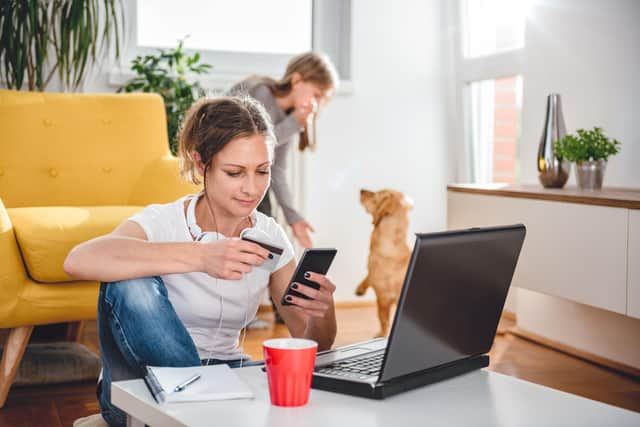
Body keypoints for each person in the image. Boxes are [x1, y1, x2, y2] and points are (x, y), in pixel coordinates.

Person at [63, 96, 337, 427]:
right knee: (128, 280)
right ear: (200, 164)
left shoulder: (269, 236)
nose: (251, 189)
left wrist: (323, 310)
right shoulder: (162, 221)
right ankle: (200, 403)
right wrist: (202, 257)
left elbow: (311, 345)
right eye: (235, 172)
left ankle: (204, 407)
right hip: (143, 383)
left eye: (262, 172)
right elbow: (79, 260)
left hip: (228, 373)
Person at [230, 51, 339, 249]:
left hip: (247, 178)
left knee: (267, 224)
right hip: (229, 174)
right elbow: (251, 146)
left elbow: (276, 169)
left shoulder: (287, 116)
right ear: (297, 80)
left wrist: (293, 219)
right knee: (260, 223)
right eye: (316, 95)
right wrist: (295, 123)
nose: (317, 104)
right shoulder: (261, 93)